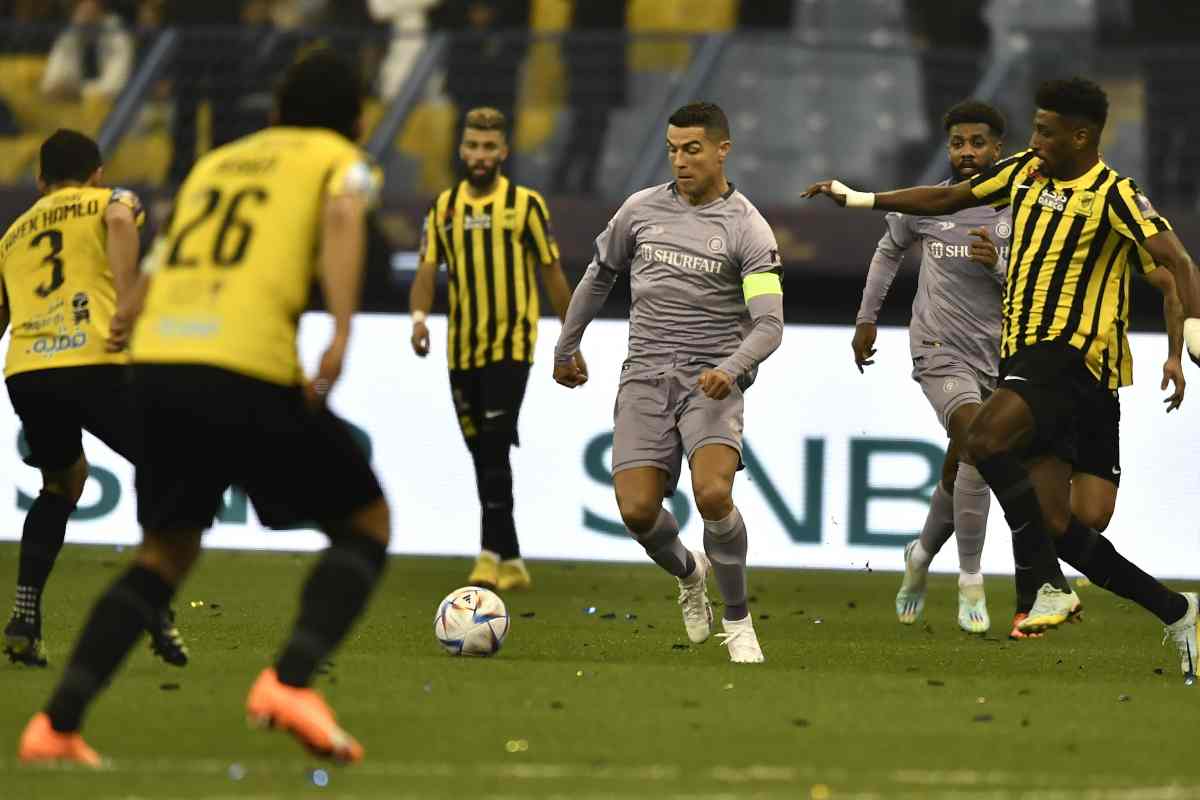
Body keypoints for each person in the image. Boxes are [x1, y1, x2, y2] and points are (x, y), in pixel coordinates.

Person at [18, 50, 389, 765]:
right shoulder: (338, 158)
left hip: (159, 366)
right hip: (242, 360)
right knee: (367, 522)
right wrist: (340, 332)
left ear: (275, 113)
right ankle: (289, 682)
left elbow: (162, 263)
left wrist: (128, 312)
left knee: (165, 552)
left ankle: (56, 727)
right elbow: (343, 214)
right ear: (360, 120)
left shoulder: (219, 164)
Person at [806, 77, 1200, 680]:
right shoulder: (1022, 174)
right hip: (1035, 360)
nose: (1034, 139)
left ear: (1081, 135)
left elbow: (1176, 261)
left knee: (986, 443)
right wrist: (863, 200)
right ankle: (1176, 611)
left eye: (1045, 131)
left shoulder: (1116, 195)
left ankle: (1043, 585)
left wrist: (1190, 333)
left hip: (1078, 357)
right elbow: (946, 199)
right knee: (1064, 523)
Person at [553, 102, 784, 664]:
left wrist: (728, 370)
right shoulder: (640, 211)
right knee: (636, 512)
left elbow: (770, 325)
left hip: (711, 383)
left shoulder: (746, 227)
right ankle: (688, 573)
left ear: (722, 150)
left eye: (693, 149)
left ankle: (738, 619)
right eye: (673, 150)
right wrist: (567, 343)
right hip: (645, 377)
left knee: (712, 494)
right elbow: (598, 275)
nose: (680, 161)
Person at [0, 129, 186, 670]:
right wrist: (127, 297)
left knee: (62, 484)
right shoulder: (111, 200)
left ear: (40, 181)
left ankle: (23, 617)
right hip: (94, 359)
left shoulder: (12, 235)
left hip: (28, 370)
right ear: (97, 173)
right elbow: (124, 221)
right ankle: (153, 600)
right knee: (168, 466)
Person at [410, 106, 582, 591]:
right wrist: (419, 319)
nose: (480, 155)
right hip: (460, 348)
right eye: (473, 146)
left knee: (491, 445)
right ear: (461, 149)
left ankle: (489, 555)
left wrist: (568, 340)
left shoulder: (526, 205)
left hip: (511, 344)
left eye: (489, 147)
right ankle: (511, 558)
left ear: (504, 151)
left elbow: (551, 271)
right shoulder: (443, 208)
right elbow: (427, 269)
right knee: (483, 453)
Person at [855, 99, 1009, 634]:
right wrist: (866, 318)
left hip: (1000, 355)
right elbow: (887, 251)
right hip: (937, 347)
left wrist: (1000, 266)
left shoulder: (1020, 211)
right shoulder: (929, 202)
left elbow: (1036, 287)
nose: (966, 153)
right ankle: (971, 579)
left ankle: (920, 554)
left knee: (962, 461)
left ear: (998, 149)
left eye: (977, 143)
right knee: (977, 442)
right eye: (958, 143)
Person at [1010, 247, 1188, 639]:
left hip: (1100, 384)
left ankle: (1177, 608)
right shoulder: (1027, 212)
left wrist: (1175, 354)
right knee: (1047, 513)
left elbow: (1171, 280)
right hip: (1046, 376)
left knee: (1089, 518)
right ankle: (1034, 598)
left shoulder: (1113, 218)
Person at [40, 0, 134, 102]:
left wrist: (77, 92)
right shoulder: (70, 35)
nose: (84, 9)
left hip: (119, 109)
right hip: (74, 107)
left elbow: (113, 88)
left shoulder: (118, 37)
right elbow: (50, 82)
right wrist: (57, 87)